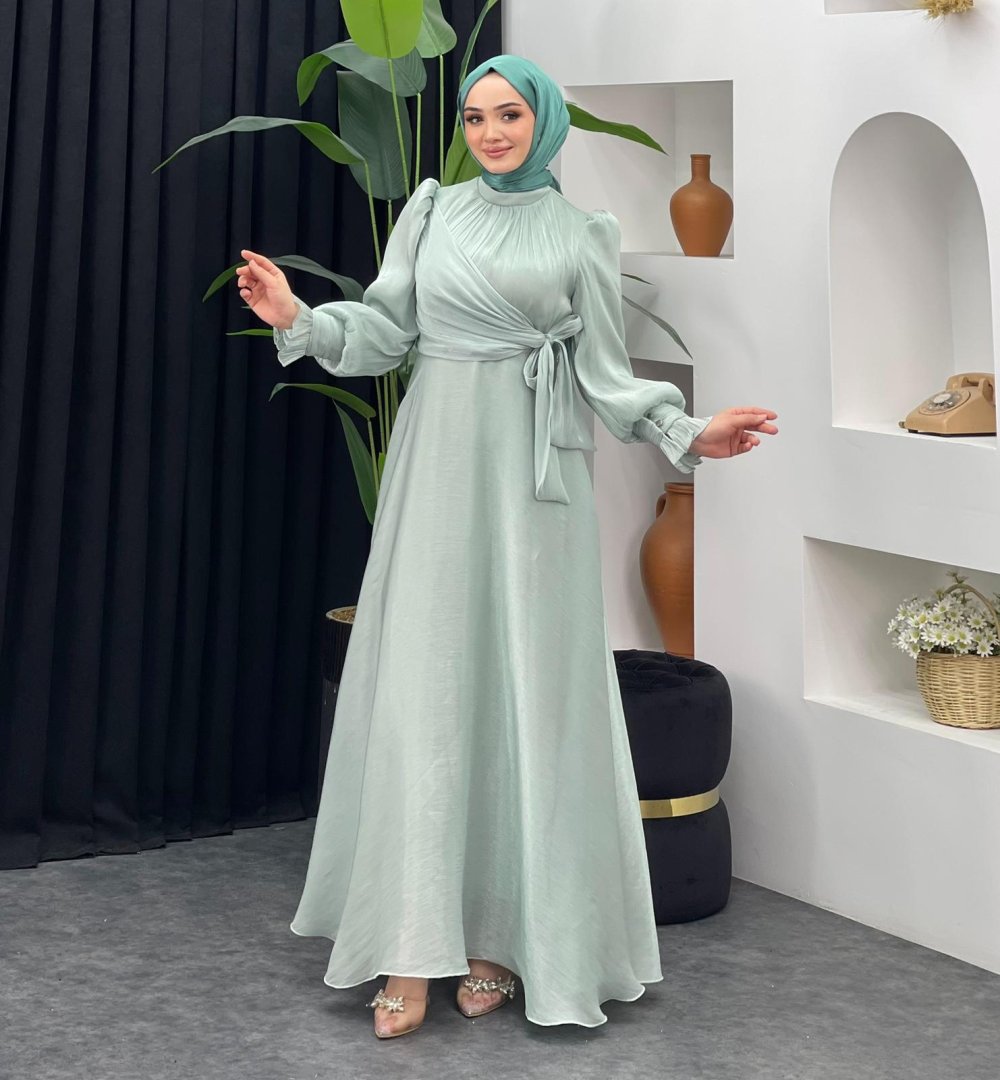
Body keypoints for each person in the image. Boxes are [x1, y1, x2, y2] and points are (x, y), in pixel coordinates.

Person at [236, 53, 777, 1039]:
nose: (489, 133)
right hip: (439, 465)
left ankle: (497, 940)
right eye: (476, 116)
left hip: (538, 486)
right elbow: (384, 333)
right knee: (427, 689)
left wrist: (690, 432)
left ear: (544, 122)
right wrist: (299, 320)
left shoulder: (582, 233)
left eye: (509, 115)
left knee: (527, 692)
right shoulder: (431, 212)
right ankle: (408, 945)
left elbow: (607, 375)